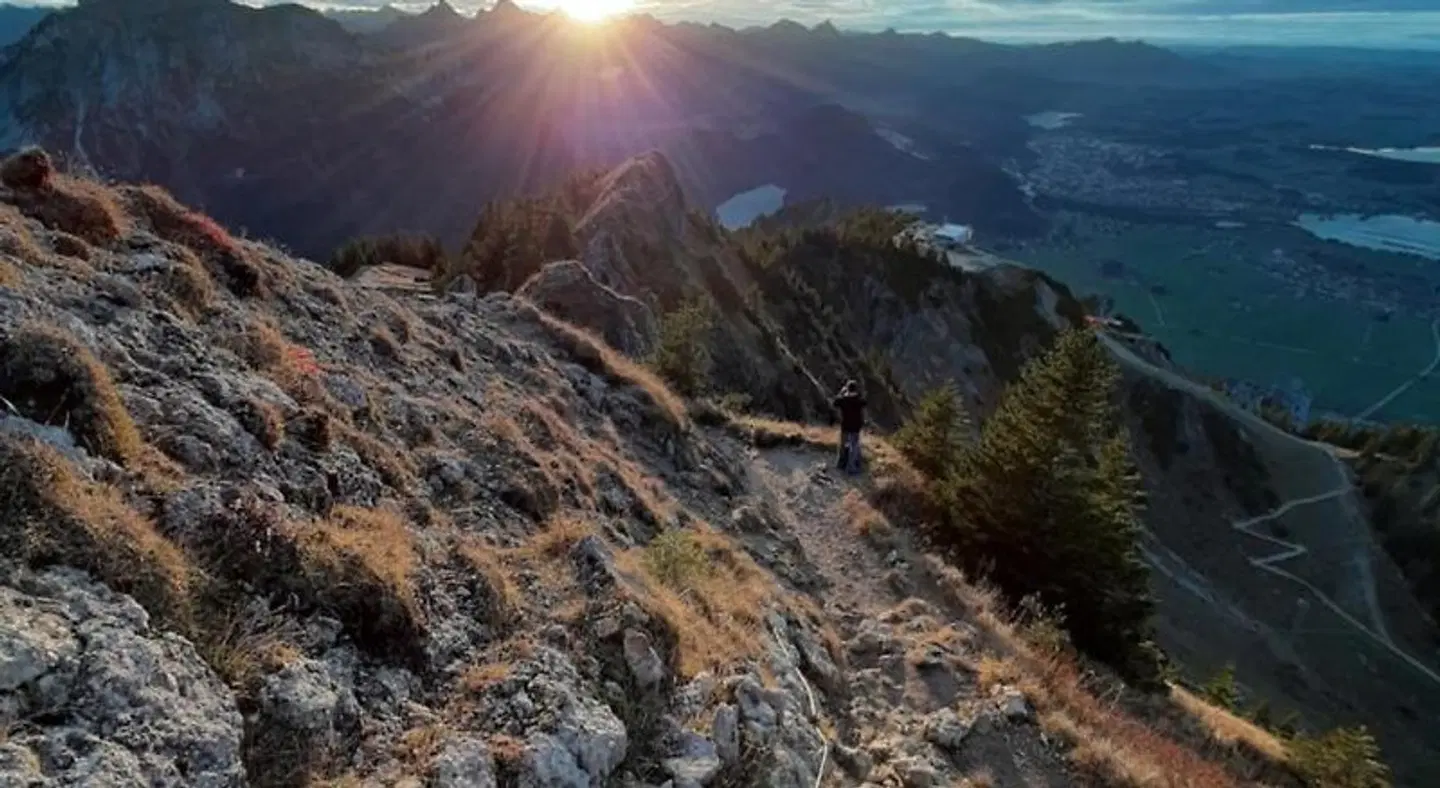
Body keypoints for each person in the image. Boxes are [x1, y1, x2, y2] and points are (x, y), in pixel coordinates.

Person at [831, 378, 867, 475]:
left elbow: (834, 402)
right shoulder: (858, 400)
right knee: (854, 447)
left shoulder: (843, 400)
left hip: (845, 426)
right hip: (856, 427)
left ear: (847, 389)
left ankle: (840, 464)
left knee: (842, 446)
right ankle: (851, 468)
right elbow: (864, 401)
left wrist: (841, 392)